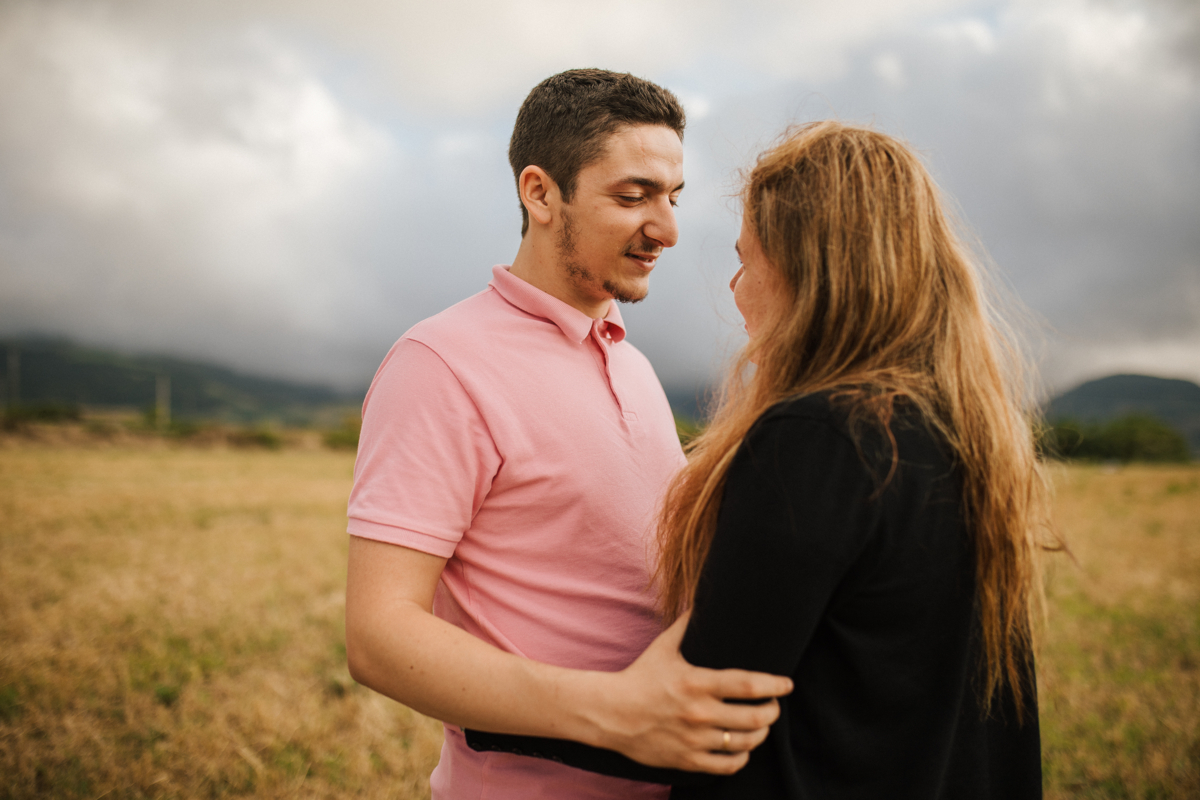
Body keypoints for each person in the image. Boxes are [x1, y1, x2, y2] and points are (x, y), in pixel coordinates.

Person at [469, 121, 1057, 798]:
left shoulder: (816, 440)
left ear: (811, 269)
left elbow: (699, 719)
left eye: (748, 260)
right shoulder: (965, 433)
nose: (736, 288)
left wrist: (483, 721)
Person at [343, 69, 792, 800]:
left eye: (672, 198)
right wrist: (612, 714)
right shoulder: (439, 363)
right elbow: (379, 636)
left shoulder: (636, 364)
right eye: (632, 195)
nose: (669, 230)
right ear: (540, 193)